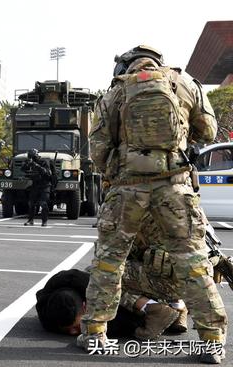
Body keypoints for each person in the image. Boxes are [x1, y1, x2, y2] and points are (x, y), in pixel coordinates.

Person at [80, 45, 227, 364]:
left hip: (127, 188)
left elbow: (99, 152)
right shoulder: (184, 84)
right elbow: (209, 130)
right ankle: (212, 341)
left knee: (108, 261)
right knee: (193, 261)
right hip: (174, 187)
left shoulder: (114, 94)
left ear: (123, 66)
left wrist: (120, 168)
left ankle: (95, 333)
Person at [36, 268, 180, 339]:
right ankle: (178, 308)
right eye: (66, 330)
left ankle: (160, 306)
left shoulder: (89, 288)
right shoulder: (48, 314)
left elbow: (120, 319)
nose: (73, 333)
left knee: (112, 285)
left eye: (76, 327)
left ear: (87, 308)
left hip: (134, 272)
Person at [21, 149, 52, 226]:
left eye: (33, 157)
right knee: (31, 203)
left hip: (45, 185)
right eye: (30, 157)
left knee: (43, 203)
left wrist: (36, 165)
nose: (32, 158)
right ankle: (30, 220)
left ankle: (44, 221)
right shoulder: (30, 162)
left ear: (37, 156)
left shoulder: (44, 162)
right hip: (35, 185)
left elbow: (47, 173)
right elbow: (22, 169)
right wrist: (27, 164)